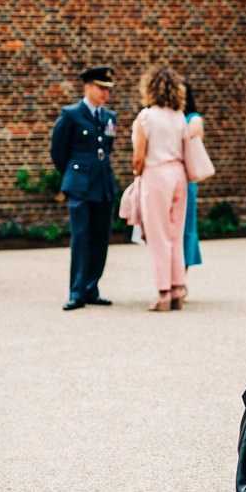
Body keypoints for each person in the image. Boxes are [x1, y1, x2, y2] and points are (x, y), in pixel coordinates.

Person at [51, 66, 119, 311]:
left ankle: (92, 288)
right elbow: (58, 152)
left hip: (102, 184)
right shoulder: (70, 114)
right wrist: (72, 173)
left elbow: (108, 148)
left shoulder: (109, 117)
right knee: (81, 238)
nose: (105, 93)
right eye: (101, 88)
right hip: (80, 184)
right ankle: (77, 291)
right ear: (87, 87)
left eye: (108, 89)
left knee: (100, 239)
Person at [130, 67, 190, 311]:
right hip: (179, 174)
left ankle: (163, 293)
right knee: (175, 234)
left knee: (158, 236)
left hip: (155, 174)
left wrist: (136, 174)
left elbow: (138, 157)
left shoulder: (146, 117)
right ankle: (178, 289)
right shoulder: (179, 116)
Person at [182, 79, 204, 274]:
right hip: (165, 179)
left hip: (186, 179)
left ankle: (182, 274)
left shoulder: (193, 118)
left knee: (186, 226)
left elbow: (195, 136)